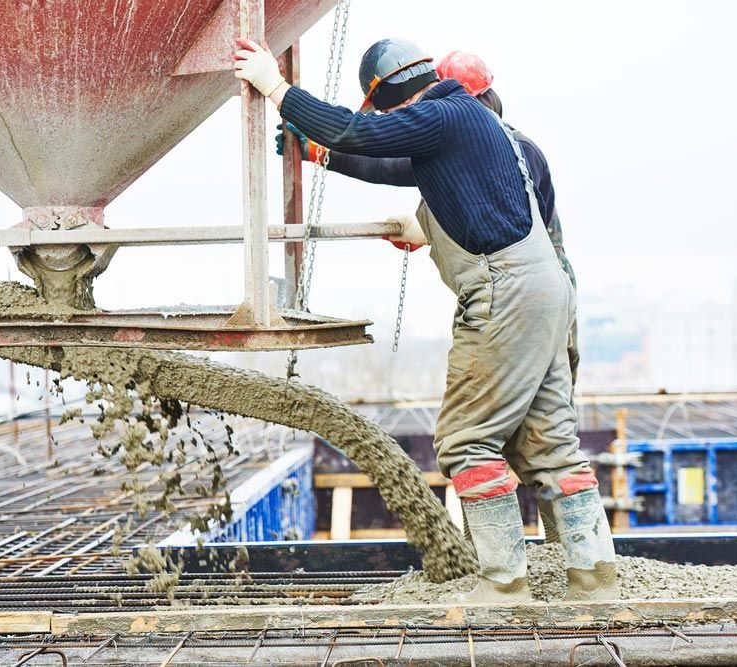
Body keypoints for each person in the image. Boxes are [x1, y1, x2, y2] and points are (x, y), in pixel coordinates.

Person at [234, 36, 618, 602]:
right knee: (550, 443)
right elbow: (398, 167)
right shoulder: (481, 128)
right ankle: (594, 578)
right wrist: (324, 157)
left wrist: (275, 87)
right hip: (546, 293)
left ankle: (504, 584)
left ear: (387, 96)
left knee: (467, 441)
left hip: (504, 295)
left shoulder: (441, 116)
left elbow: (360, 132)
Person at [278, 51, 581, 388]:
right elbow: (393, 165)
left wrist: (425, 231)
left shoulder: (515, 148)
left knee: (489, 418)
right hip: (529, 294)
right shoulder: (473, 142)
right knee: (538, 423)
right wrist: (323, 154)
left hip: (528, 297)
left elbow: (497, 221)